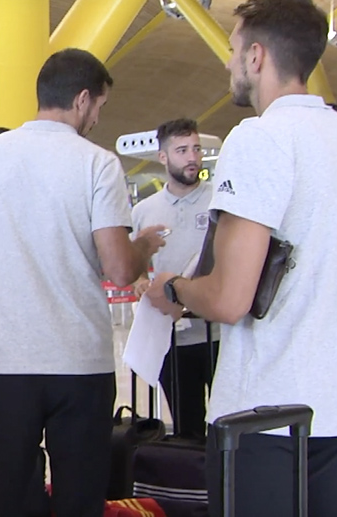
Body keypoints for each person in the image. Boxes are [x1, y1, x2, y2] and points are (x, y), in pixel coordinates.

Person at [0, 48, 166, 517]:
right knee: (79, 500)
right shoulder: (97, 163)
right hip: (80, 365)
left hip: (5, 367)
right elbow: (119, 269)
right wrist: (144, 245)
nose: (97, 118)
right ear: (82, 99)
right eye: (99, 106)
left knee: (4, 501)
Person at [144, 1, 337, 515]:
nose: (229, 63)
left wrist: (173, 288)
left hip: (268, 420)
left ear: (256, 56)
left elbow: (230, 298)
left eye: (233, 51)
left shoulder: (260, 137)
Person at [131, 118, 219, 440]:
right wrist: (140, 281)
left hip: (220, 334)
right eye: (182, 151)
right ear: (163, 157)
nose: (192, 157)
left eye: (196, 149)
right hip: (172, 338)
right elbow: (136, 266)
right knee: (187, 427)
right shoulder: (144, 211)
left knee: (226, 423)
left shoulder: (219, 202)